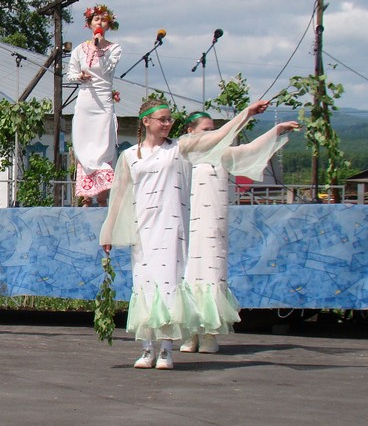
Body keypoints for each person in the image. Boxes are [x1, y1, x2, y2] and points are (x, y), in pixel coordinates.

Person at [99, 97, 271, 369]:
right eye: (163, 120)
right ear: (146, 122)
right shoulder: (130, 156)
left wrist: (246, 114)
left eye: (170, 120)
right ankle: (147, 349)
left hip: (171, 228)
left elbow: (217, 136)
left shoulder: (179, 148)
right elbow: (119, 196)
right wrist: (108, 232)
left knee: (169, 286)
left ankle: (166, 349)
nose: (168, 124)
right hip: (144, 229)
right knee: (144, 286)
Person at [180, 112, 300, 353]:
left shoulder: (223, 154)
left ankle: (210, 333)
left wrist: (276, 131)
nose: (212, 134)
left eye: (214, 129)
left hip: (213, 224)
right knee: (188, 272)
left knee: (212, 271)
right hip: (187, 223)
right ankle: (190, 331)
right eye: (206, 130)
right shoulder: (184, 151)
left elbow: (250, 150)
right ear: (190, 131)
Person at [67, 4, 123, 207]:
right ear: (89, 23)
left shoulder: (114, 48)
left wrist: (99, 48)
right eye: (96, 19)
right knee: (84, 143)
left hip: (103, 100)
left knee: (103, 143)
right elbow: (71, 73)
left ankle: (102, 196)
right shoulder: (79, 49)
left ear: (109, 24)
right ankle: (85, 197)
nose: (100, 22)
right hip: (85, 99)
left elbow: (107, 69)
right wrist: (79, 76)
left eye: (103, 20)